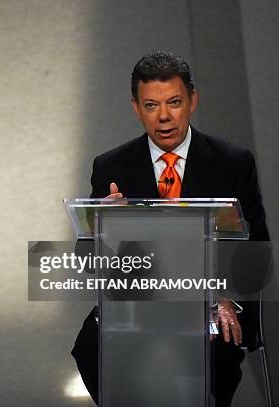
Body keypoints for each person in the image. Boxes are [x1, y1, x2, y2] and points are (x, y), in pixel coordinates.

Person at [71, 51, 270, 406]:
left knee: (217, 356)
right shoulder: (110, 166)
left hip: (209, 302)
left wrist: (227, 301)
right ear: (136, 107)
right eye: (151, 105)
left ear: (192, 101)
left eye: (174, 102)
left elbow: (255, 250)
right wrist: (102, 228)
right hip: (139, 305)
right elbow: (87, 260)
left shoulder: (232, 163)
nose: (164, 116)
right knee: (89, 348)